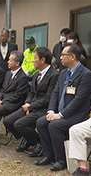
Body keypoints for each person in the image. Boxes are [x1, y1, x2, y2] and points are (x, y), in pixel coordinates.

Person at [35, 43, 91, 171]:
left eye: (63, 55)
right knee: (41, 122)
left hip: (76, 115)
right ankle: (48, 155)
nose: (60, 58)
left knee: (55, 125)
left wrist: (60, 115)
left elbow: (79, 100)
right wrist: (51, 111)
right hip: (60, 112)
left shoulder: (85, 74)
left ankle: (60, 160)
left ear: (72, 57)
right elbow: (55, 93)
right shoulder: (64, 72)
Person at [3, 47, 59, 154]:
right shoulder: (36, 74)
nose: (33, 60)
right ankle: (31, 140)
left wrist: (31, 106)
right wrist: (28, 103)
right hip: (32, 105)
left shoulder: (54, 75)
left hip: (43, 108)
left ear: (42, 60)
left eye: (35, 58)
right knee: (8, 121)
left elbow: (48, 98)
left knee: (20, 124)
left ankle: (41, 142)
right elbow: (32, 92)